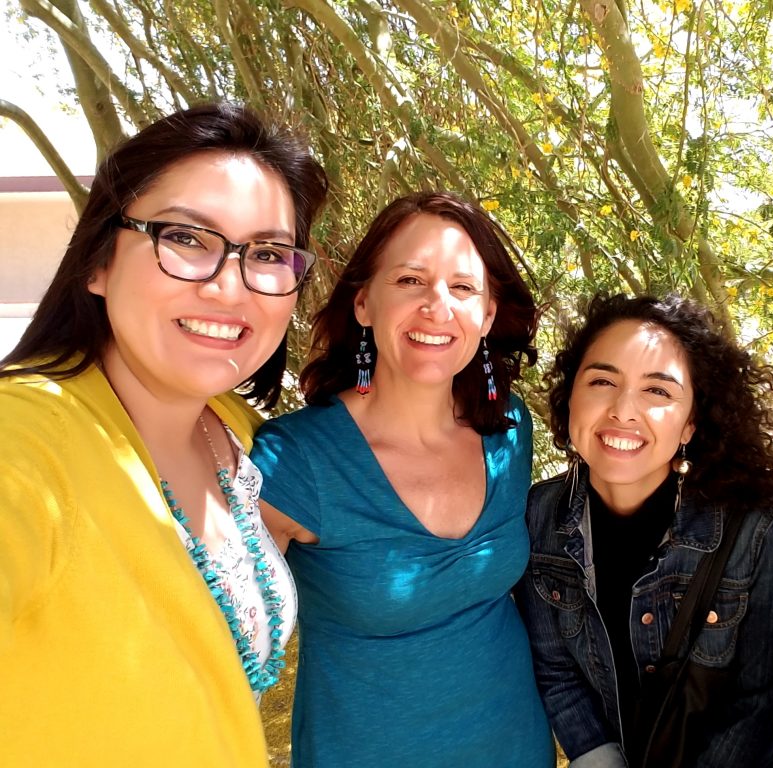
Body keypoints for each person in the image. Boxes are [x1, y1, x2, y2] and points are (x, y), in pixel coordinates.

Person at [0, 103, 328, 766]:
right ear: (97, 261)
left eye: (266, 253)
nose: (229, 286)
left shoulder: (238, 430)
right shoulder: (30, 436)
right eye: (185, 238)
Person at [250, 191, 555, 767]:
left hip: (515, 747)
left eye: (462, 288)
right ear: (363, 302)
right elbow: (214, 645)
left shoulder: (508, 430)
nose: (437, 307)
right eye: (411, 280)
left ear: (487, 316)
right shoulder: (296, 461)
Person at [516, 293, 773, 767]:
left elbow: (766, 705)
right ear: (570, 395)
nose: (623, 411)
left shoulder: (758, 532)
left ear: (690, 423)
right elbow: (555, 669)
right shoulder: (539, 517)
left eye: (658, 391)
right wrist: (596, 754)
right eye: (602, 380)